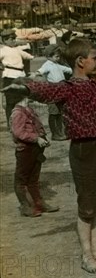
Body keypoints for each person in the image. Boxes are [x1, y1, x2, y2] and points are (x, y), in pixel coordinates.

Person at [1, 38, 96, 274]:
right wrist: (24, 87)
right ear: (80, 61)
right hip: (84, 150)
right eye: (94, 58)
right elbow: (45, 90)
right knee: (87, 204)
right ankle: (87, 256)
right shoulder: (67, 88)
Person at [10, 85, 58, 217]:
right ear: (25, 96)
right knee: (22, 179)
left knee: (34, 178)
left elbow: (36, 126)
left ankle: (38, 203)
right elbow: (19, 132)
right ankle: (25, 206)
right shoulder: (18, 113)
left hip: (35, 148)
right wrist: (36, 138)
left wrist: (42, 138)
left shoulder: (28, 109)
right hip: (25, 149)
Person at [36, 44, 72, 141]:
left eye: (59, 56)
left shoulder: (57, 65)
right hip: (52, 90)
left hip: (61, 89)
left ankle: (61, 132)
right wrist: (37, 73)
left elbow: (68, 70)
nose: (58, 58)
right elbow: (41, 71)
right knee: (53, 113)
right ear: (49, 56)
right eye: (56, 56)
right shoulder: (47, 65)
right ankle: (55, 133)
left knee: (60, 112)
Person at [0, 28, 34, 123]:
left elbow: (28, 56)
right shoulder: (2, 50)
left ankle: (22, 121)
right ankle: (11, 123)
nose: (14, 40)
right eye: (11, 39)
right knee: (10, 101)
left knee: (23, 99)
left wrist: (32, 56)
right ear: (5, 40)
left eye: (14, 38)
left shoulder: (17, 49)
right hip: (9, 76)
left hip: (20, 76)